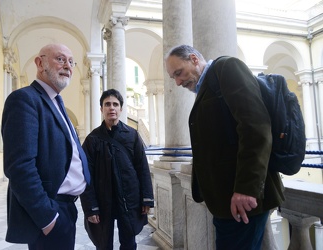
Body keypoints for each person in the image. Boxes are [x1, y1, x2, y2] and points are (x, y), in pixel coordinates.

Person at [165, 45, 285, 250]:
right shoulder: (207, 85)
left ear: (194, 59)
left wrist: (246, 188)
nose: (177, 82)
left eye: (179, 73)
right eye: (173, 78)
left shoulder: (228, 68)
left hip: (242, 199)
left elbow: (256, 126)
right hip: (228, 202)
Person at [2, 43, 90, 250]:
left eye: (71, 61)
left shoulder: (57, 104)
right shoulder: (25, 99)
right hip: (51, 212)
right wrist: (48, 218)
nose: (68, 65)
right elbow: (20, 167)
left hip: (67, 208)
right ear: (40, 63)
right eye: (60, 59)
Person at [80, 89, 154, 250]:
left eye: (115, 104)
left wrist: (146, 198)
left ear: (121, 109)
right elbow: (86, 176)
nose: (111, 108)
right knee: (103, 243)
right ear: (101, 109)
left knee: (129, 242)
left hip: (129, 199)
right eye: (107, 104)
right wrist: (90, 207)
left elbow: (142, 168)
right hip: (102, 200)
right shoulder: (92, 139)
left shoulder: (132, 135)